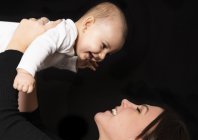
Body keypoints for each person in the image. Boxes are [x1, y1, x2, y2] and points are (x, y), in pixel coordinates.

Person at [0, 19, 192, 140]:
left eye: (140, 110)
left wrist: (19, 43)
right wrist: (30, 60)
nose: (127, 101)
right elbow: (30, 125)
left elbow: (4, 124)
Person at [0, 1, 128, 93]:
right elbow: (41, 46)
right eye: (103, 45)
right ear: (87, 24)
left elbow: (50, 58)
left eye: (108, 54)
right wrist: (25, 72)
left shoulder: (69, 42)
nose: (102, 56)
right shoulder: (66, 32)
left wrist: (74, 63)